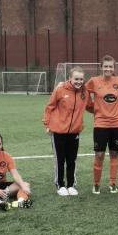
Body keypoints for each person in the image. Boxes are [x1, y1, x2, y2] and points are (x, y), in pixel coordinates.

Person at [43, 67, 90, 196]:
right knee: (60, 159)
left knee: (72, 159)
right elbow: (49, 107)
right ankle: (60, 185)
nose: (78, 81)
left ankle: (71, 185)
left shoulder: (85, 92)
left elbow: (96, 87)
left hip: (74, 132)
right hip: (58, 131)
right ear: (70, 78)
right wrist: (47, 124)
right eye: (76, 79)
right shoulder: (60, 89)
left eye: (81, 79)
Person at [86, 55, 118, 194]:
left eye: (111, 66)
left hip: (116, 124)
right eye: (106, 66)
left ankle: (112, 183)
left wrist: (117, 110)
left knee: (114, 153)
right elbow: (84, 92)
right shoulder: (93, 81)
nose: (108, 68)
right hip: (100, 124)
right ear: (101, 67)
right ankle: (96, 184)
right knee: (99, 154)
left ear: (114, 68)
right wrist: (94, 109)